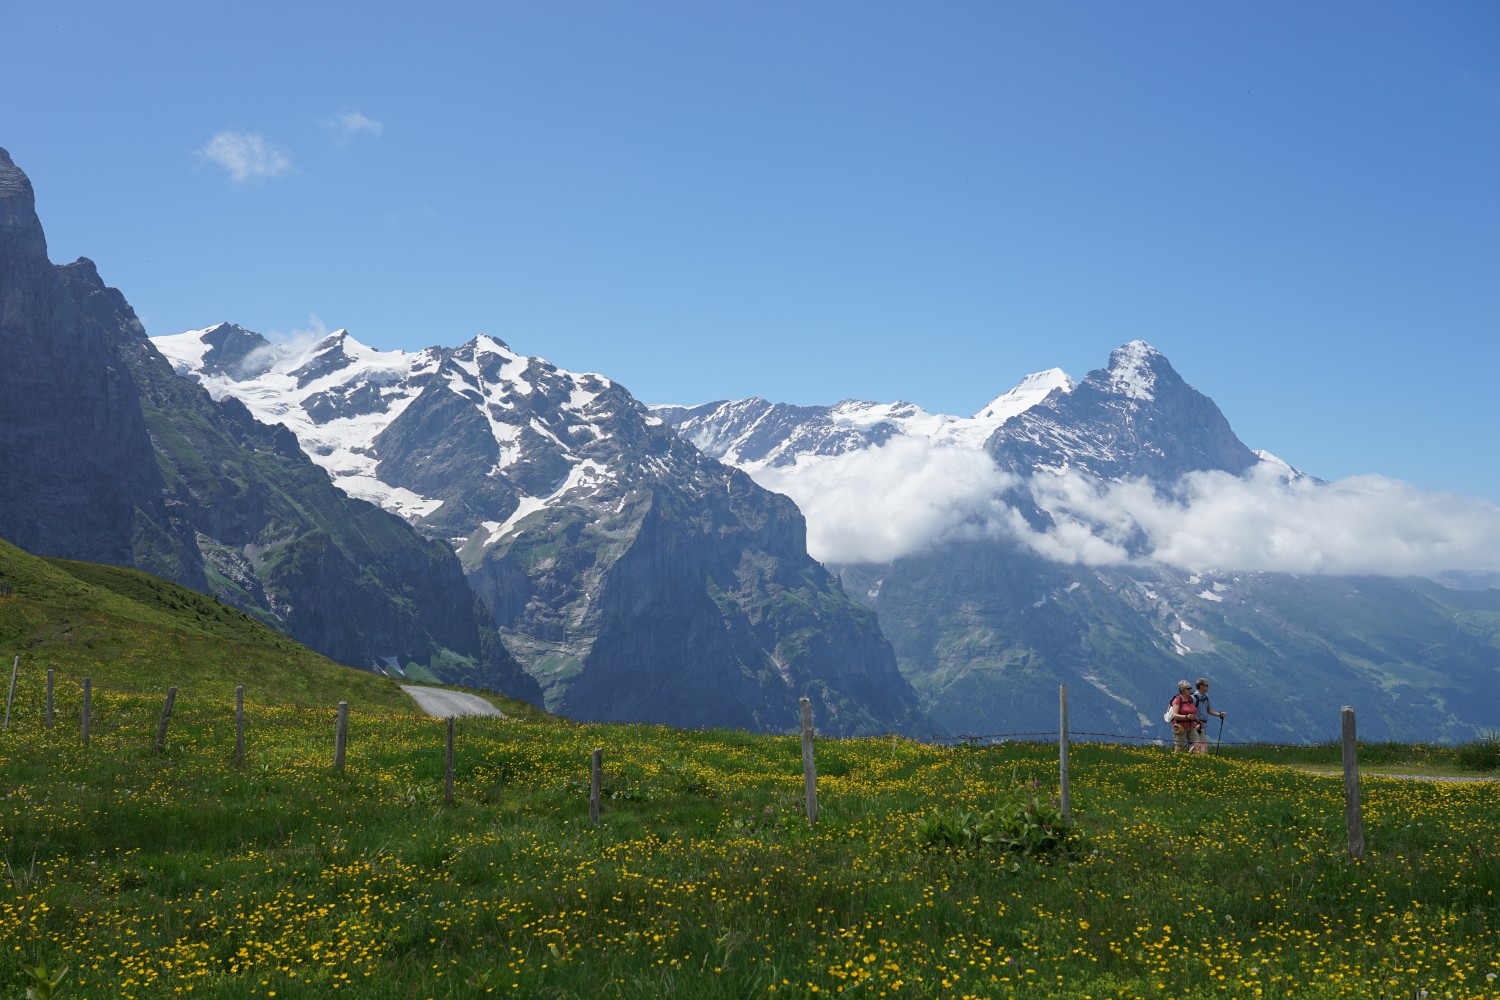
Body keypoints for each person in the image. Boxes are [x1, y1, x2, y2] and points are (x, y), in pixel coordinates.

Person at [1168, 680, 1205, 753]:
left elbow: (1193, 713)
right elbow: (1175, 715)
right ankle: (1176, 760)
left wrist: (1198, 721)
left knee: (1198, 745)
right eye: (1188, 689)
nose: (1190, 690)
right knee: (1179, 747)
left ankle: (1193, 760)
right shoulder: (1177, 700)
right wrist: (1186, 717)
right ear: (1182, 690)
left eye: (1191, 688)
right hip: (1180, 727)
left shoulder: (1190, 699)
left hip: (1192, 726)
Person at [1193, 678, 1226, 751]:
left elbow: (1209, 710)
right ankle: (1200, 759)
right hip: (1197, 724)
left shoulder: (1206, 697)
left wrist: (1219, 714)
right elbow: (1191, 712)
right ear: (1201, 686)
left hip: (1204, 724)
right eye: (1206, 685)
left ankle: (1193, 758)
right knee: (1202, 744)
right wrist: (1196, 723)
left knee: (1198, 745)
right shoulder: (1193, 698)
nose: (1208, 687)